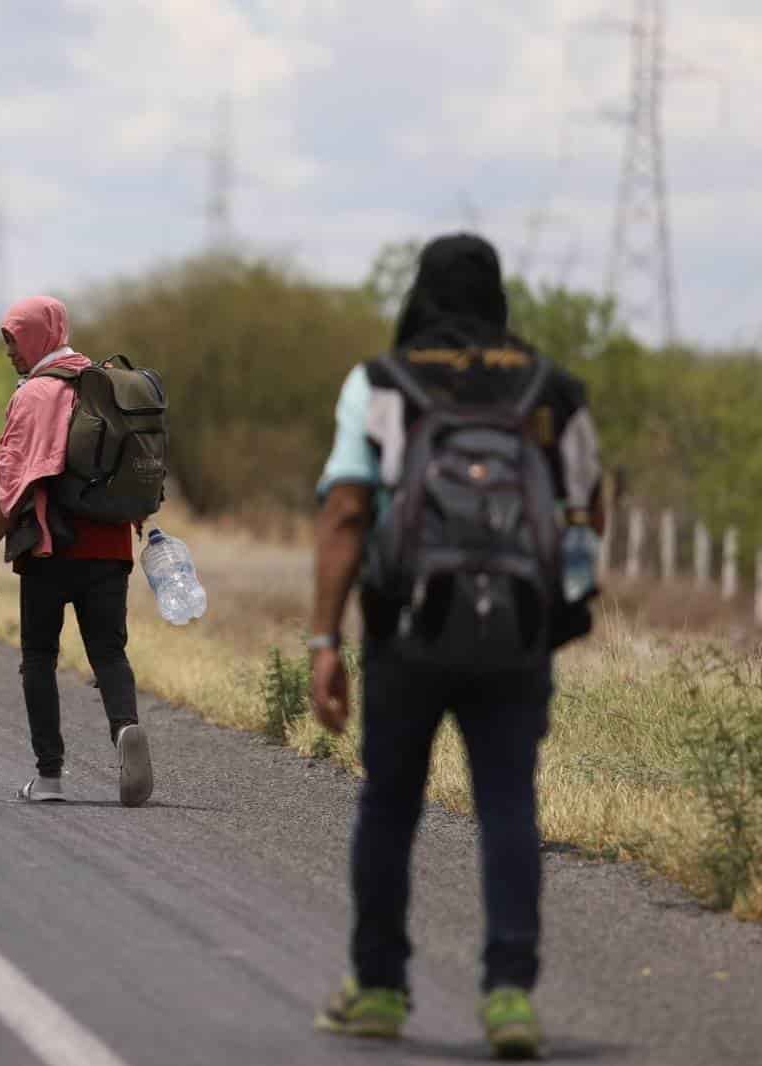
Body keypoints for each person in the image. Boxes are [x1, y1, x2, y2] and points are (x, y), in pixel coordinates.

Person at [308, 234, 602, 1058]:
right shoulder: (553, 388)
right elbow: (586, 510)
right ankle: (509, 996)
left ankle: (377, 990)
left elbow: (346, 514)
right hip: (518, 633)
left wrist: (325, 640)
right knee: (509, 802)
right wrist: (556, 617)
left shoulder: (381, 382)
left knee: (390, 802)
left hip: (407, 630)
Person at [0, 295, 153, 807]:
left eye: (13, 341)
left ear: (36, 335)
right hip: (110, 547)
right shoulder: (105, 384)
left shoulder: (35, 395)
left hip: (51, 550)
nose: (10, 353)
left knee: (39, 658)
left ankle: (49, 777)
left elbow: (16, 489)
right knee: (109, 653)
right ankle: (124, 730)